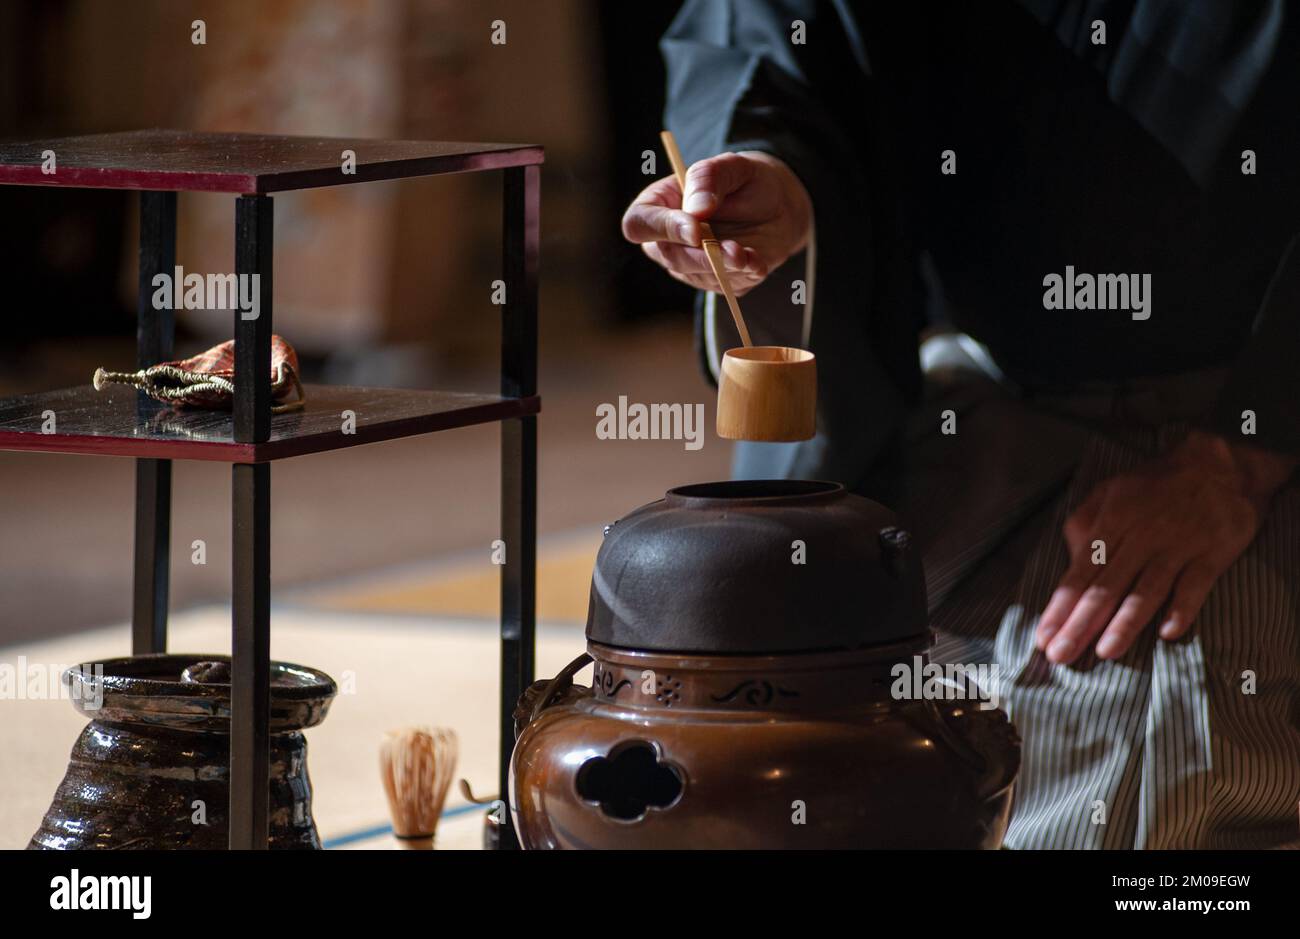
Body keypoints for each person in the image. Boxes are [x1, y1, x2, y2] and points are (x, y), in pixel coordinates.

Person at [622, 0, 1300, 849]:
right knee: (776, 702)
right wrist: (771, 179)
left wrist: (1245, 451)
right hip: (980, 388)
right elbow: (768, 33)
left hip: (1250, 402)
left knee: (1122, 756)